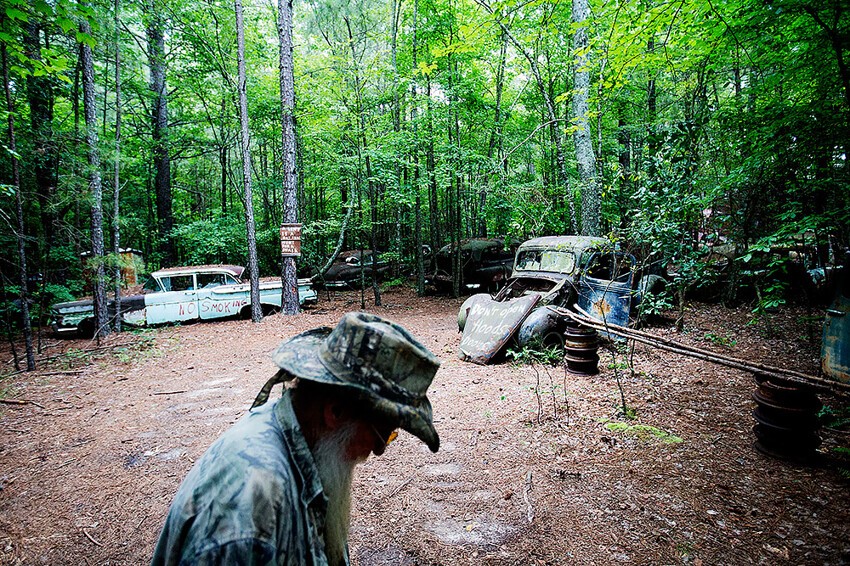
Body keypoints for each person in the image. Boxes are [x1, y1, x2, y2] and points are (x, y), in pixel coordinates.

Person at [151, 312, 441, 565]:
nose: (378, 451)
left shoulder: (299, 443)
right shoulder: (252, 509)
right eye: (384, 434)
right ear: (335, 411)